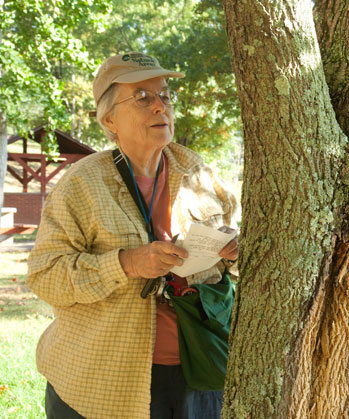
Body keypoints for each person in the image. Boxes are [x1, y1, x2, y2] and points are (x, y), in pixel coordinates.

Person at [27, 52, 238, 419]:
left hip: (200, 371)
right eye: (142, 97)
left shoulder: (199, 172)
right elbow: (46, 276)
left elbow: (244, 259)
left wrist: (233, 251)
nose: (160, 106)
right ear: (110, 119)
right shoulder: (81, 185)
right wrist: (126, 264)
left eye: (165, 95)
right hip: (100, 386)